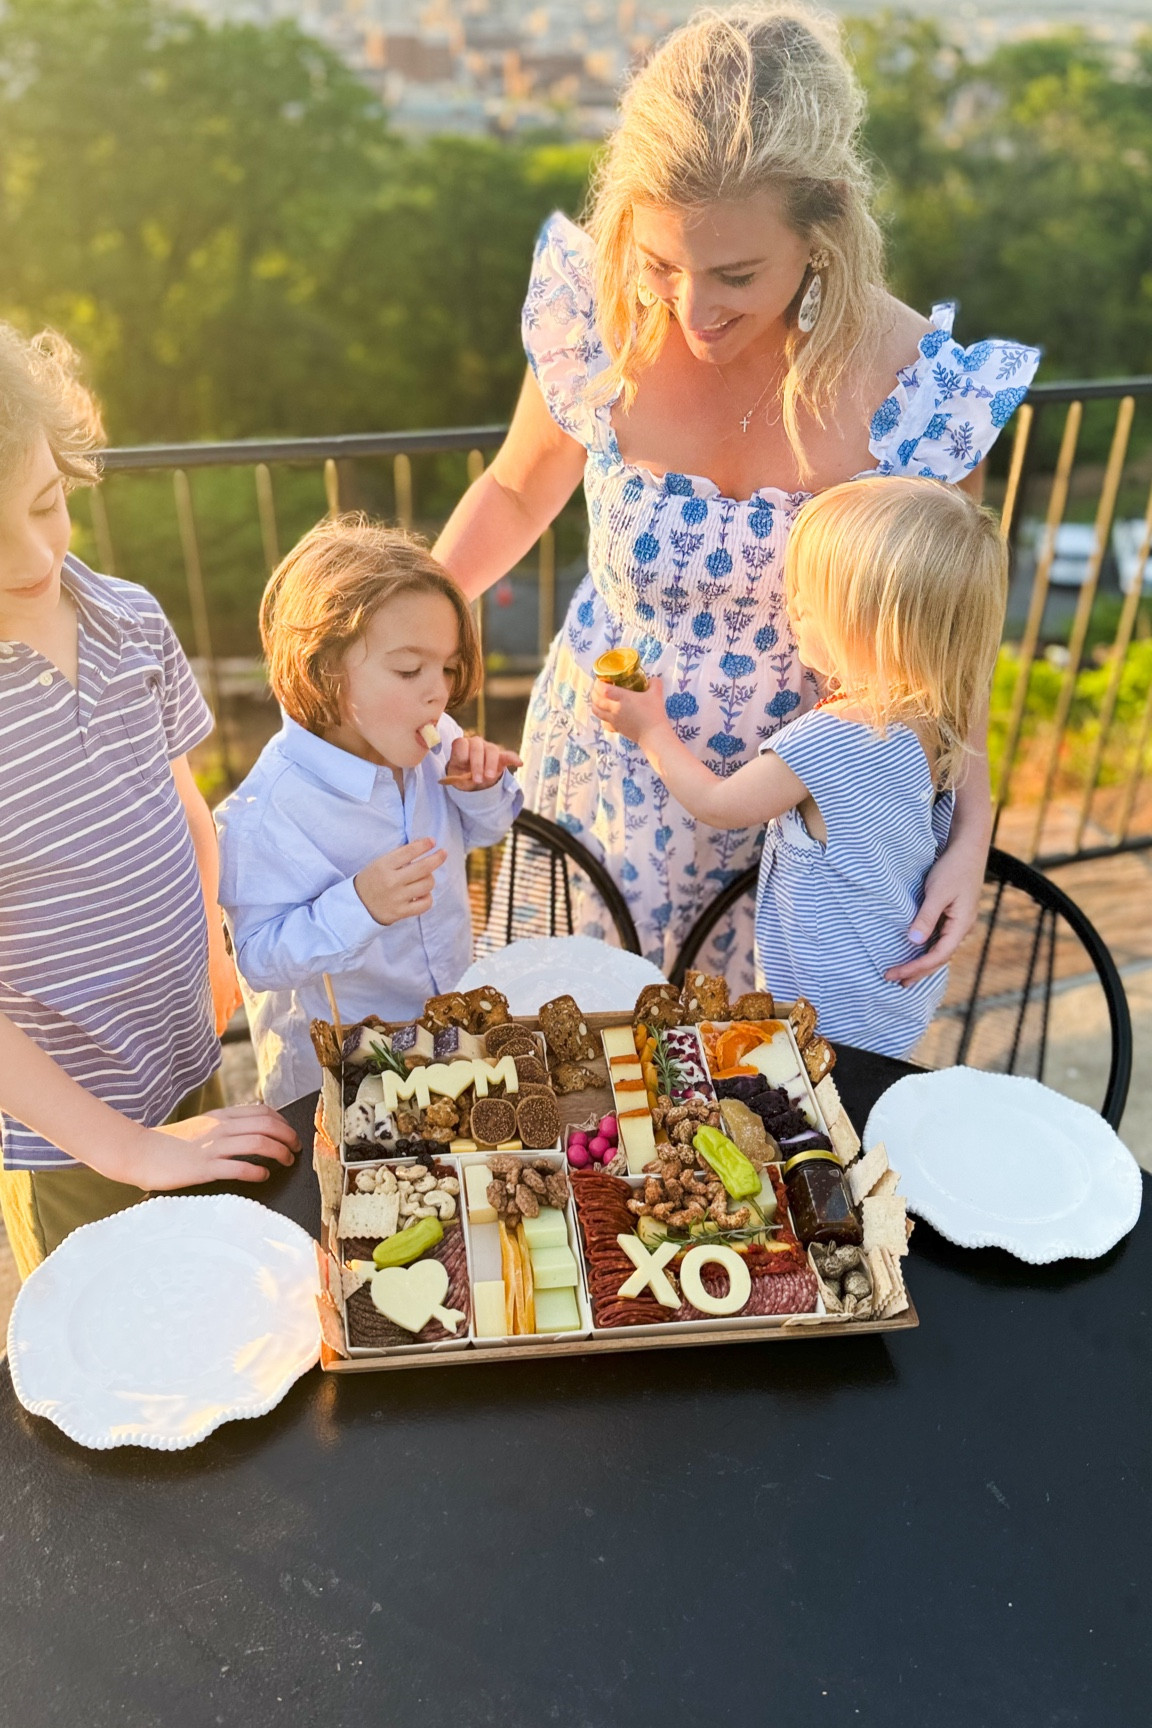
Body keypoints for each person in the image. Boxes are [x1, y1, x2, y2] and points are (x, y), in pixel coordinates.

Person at [433, 3, 1039, 986]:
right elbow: (511, 489)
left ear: (825, 228)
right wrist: (391, 633)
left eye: (737, 273)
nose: (693, 309)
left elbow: (941, 648)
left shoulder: (921, 394)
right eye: (663, 263)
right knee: (578, 1087)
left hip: (795, 831)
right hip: (599, 795)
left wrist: (971, 828)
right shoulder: (599, 313)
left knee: (746, 1110)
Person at [0, 323, 298, 1278]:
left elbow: (184, 803)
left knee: (214, 1298)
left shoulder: (130, 618)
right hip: (75, 1146)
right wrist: (128, 1152)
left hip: (186, 1060)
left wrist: (214, 935)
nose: (32, 557)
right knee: (113, 1369)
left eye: (47, 505)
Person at [592, 476, 1008, 1056]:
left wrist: (650, 730)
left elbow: (721, 805)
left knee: (823, 1123)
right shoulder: (937, 712)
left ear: (866, 629)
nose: (791, 612)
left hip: (826, 1010)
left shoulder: (832, 738)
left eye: (806, 606)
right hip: (890, 985)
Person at [216, 516, 523, 1123]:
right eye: (410, 671)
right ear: (326, 668)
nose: (439, 693)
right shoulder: (268, 810)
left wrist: (482, 788)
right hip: (337, 1086)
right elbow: (255, 957)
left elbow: (485, 833)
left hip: (445, 1045)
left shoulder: (434, 742)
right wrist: (359, 905)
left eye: (449, 668)